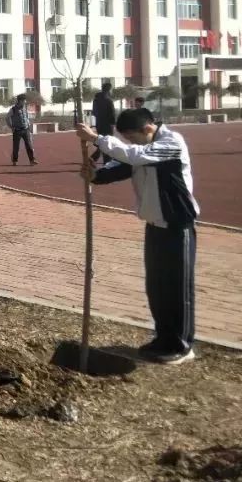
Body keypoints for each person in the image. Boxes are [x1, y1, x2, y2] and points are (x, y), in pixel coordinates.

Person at [75, 108, 199, 365]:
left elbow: (135, 156)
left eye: (131, 137)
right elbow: (120, 167)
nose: (130, 142)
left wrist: (97, 139)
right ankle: (163, 337)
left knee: (177, 288)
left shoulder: (170, 144)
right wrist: (95, 175)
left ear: (147, 129)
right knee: (156, 287)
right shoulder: (141, 150)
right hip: (154, 226)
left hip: (177, 226)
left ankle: (182, 345)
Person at [6, 94, 38, 166]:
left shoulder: (25, 108)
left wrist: (29, 126)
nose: (25, 102)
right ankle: (15, 160)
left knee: (29, 145)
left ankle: (32, 160)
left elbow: (26, 117)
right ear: (20, 101)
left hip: (25, 129)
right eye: (23, 100)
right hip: (17, 130)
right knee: (16, 146)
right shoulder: (13, 109)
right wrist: (11, 126)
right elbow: (7, 118)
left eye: (25, 100)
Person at [91, 83, 117, 163]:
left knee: (102, 142)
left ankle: (93, 158)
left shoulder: (96, 100)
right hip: (107, 125)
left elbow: (94, 112)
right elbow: (112, 114)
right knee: (107, 143)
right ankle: (106, 162)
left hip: (99, 124)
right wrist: (113, 125)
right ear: (109, 89)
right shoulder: (109, 100)